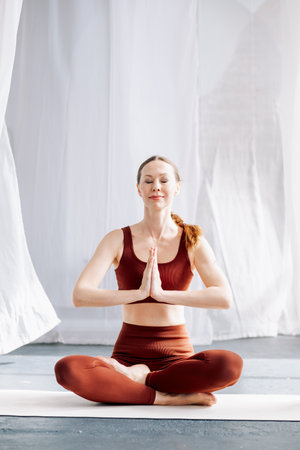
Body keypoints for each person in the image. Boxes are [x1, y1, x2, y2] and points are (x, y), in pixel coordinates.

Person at [54, 155, 243, 406]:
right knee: (67, 369)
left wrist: (163, 295)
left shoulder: (192, 240)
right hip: (126, 357)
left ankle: (140, 381)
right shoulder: (117, 239)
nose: (156, 186)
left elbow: (223, 297)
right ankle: (163, 397)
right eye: (148, 180)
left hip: (177, 360)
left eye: (164, 180)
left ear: (177, 187)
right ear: (139, 189)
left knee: (229, 365)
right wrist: (139, 292)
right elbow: (81, 295)